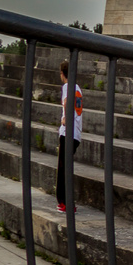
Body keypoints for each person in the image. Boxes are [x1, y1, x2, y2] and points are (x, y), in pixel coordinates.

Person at [56, 59, 83, 213]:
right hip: (76, 134)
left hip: (68, 132)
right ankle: (67, 202)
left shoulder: (67, 86)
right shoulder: (77, 87)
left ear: (62, 74)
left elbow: (66, 102)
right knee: (66, 167)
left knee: (63, 169)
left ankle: (65, 202)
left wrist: (65, 118)